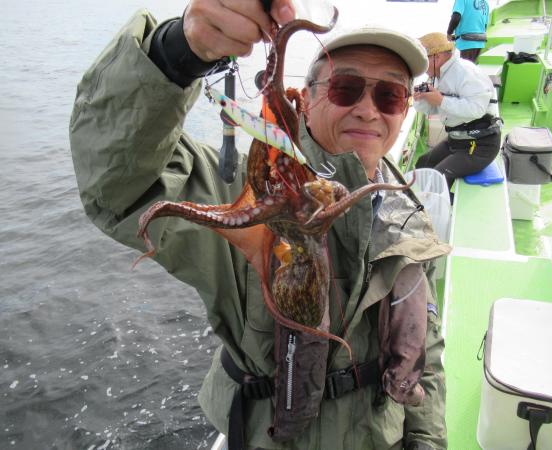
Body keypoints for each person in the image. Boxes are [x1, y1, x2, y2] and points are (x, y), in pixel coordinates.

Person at [69, 1, 450, 449]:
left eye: (389, 96)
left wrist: (427, 441)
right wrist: (178, 52)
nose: (368, 111)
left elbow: (426, 355)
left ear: (405, 110)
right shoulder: (244, 194)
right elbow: (117, 181)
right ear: (306, 100)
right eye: (345, 89)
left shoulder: (408, 215)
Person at [413, 32, 501, 191]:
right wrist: (421, 99)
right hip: (456, 140)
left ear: (437, 57)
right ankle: (420, 201)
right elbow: (434, 108)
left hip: (480, 146)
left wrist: (441, 100)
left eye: (423, 60)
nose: (422, 67)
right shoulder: (439, 75)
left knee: (438, 178)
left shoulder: (466, 72)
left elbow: (476, 109)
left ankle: (440, 205)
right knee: (423, 164)